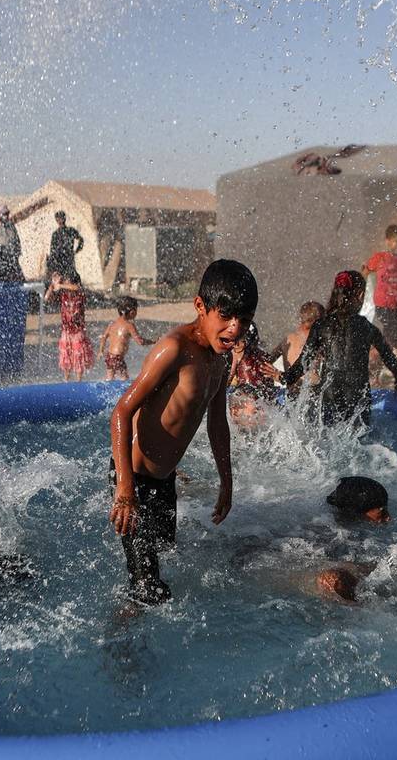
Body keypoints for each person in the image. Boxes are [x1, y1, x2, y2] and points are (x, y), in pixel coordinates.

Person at [109, 259, 257, 604]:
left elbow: (218, 425)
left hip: (164, 481)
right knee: (147, 588)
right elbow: (122, 411)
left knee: (167, 555)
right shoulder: (173, 350)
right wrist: (125, 487)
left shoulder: (220, 361)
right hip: (135, 478)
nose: (235, 329)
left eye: (244, 321)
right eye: (226, 316)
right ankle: (121, 645)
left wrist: (227, 481)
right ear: (200, 307)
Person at [280, 270, 397, 428]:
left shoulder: (321, 326)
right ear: (361, 295)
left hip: (328, 401)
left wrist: (284, 378)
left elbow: (303, 363)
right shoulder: (366, 327)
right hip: (358, 404)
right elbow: (390, 358)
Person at [268, 301, 324, 395]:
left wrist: (276, 375)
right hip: (307, 394)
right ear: (318, 322)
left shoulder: (288, 339)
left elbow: (267, 361)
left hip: (288, 392)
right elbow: (313, 376)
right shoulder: (317, 341)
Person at [48, 270, 94, 382]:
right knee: (66, 355)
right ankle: (66, 380)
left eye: (67, 283)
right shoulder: (63, 295)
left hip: (78, 331)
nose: (65, 286)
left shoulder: (80, 293)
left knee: (78, 355)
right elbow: (46, 298)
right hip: (66, 330)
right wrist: (52, 285)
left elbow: (76, 288)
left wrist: (61, 284)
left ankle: (79, 381)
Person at [98, 296, 150, 381]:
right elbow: (140, 341)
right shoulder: (129, 325)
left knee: (109, 378)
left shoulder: (112, 324)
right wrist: (153, 342)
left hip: (109, 356)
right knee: (124, 379)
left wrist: (101, 351)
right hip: (118, 358)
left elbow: (104, 337)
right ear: (132, 312)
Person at [228, 322, 280, 400]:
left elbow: (227, 381)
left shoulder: (241, 358)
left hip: (249, 399)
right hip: (266, 397)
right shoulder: (261, 355)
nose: (233, 345)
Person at [45, 210, 84, 287]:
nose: (60, 220)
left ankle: (76, 292)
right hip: (60, 260)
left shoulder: (70, 231)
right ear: (56, 220)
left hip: (67, 259)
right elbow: (52, 250)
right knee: (63, 278)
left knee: (71, 278)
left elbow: (81, 240)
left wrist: (77, 250)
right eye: (58, 219)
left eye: (61, 218)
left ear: (64, 219)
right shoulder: (56, 234)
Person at [0, 205, 25, 283]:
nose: (6, 216)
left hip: (11, 259)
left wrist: (17, 253)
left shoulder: (11, 226)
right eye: (4, 214)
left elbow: (17, 241)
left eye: (7, 214)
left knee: (19, 280)